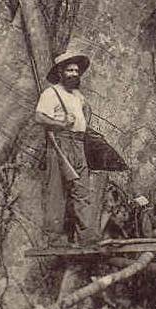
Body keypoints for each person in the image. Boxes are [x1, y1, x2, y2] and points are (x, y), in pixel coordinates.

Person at [35, 50, 100, 246]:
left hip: (79, 144)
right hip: (60, 144)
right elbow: (39, 117)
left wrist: (83, 122)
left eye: (77, 71)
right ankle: (55, 239)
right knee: (57, 190)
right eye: (70, 70)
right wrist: (61, 124)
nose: (74, 74)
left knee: (82, 191)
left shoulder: (78, 96)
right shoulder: (51, 93)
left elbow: (86, 110)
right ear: (61, 72)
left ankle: (88, 237)